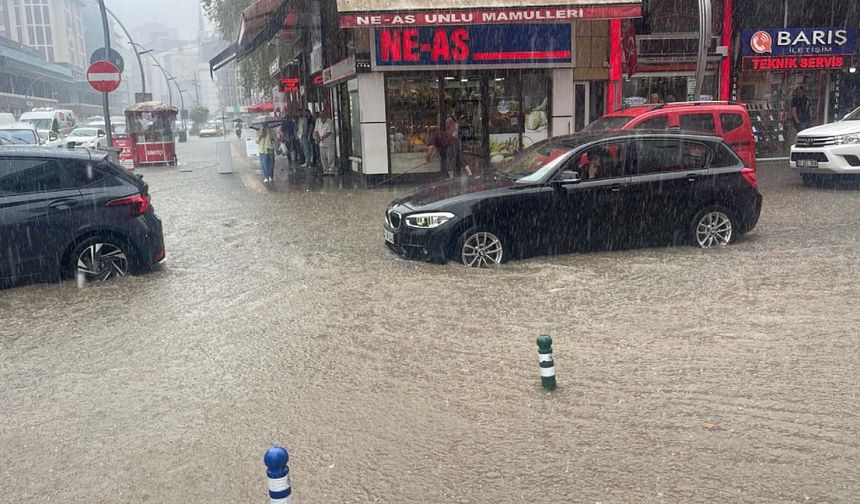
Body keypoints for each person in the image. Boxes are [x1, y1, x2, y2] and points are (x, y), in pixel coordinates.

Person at [314, 109, 336, 175]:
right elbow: (316, 130)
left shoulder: (329, 121)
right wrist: (316, 137)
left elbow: (329, 132)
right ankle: (325, 171)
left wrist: (322, 137)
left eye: (323, 115)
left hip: (329, 143)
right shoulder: (317, 121)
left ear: (325, 115)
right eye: (320, 115)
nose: (321, 117)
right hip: (321, 144)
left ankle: (331, 171)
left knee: (330, 157)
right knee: (323, 158)